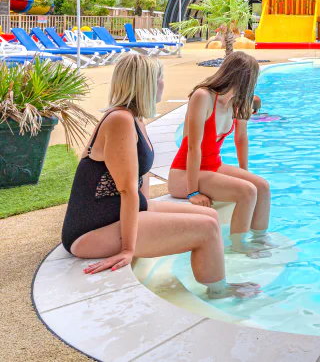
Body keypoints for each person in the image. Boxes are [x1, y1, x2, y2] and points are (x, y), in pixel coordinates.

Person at [61, 54, 259, 299]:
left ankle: (213, 277)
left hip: (116, 217)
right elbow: (127, 189)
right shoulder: (120, 120)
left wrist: (149, 210)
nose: (163, 83)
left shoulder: (135, 119)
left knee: (210, 215)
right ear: (145, 83)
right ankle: (220, 292)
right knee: (206, 228)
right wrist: (128, 250)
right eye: (159, 77)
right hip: (91, 231)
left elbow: (140, 179)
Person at [168, 52, 273, 259]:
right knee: (247, 192)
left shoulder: (238, 102)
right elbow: (193, 147)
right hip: (184, 173)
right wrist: (192, 192)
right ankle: (238, 245)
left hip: (213, 166)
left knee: (262, 186)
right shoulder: (203, 97)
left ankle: (259, 239)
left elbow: (241, 139)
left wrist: (244, 173)